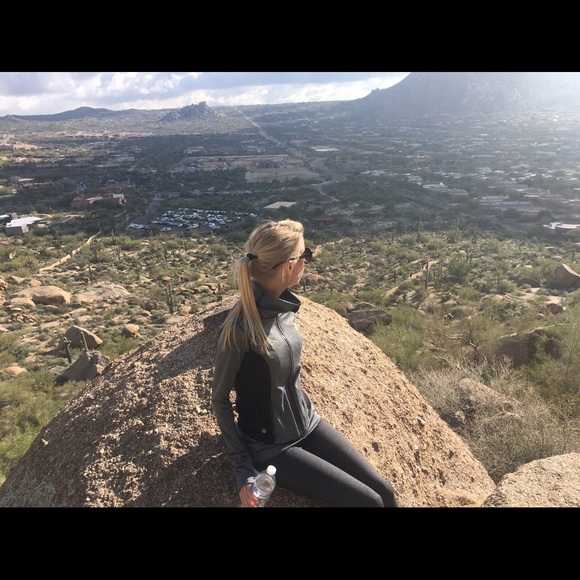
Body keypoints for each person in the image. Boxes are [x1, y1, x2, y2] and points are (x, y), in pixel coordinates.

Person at [212, 219, 399, 507]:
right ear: (289, 266)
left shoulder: (284, 308)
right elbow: (220, 398)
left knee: (385, 491)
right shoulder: (241, 328)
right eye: (305, 255)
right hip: (272, 447)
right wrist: (242, 468)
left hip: (308, 424)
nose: (307, 261)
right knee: (370, 502)